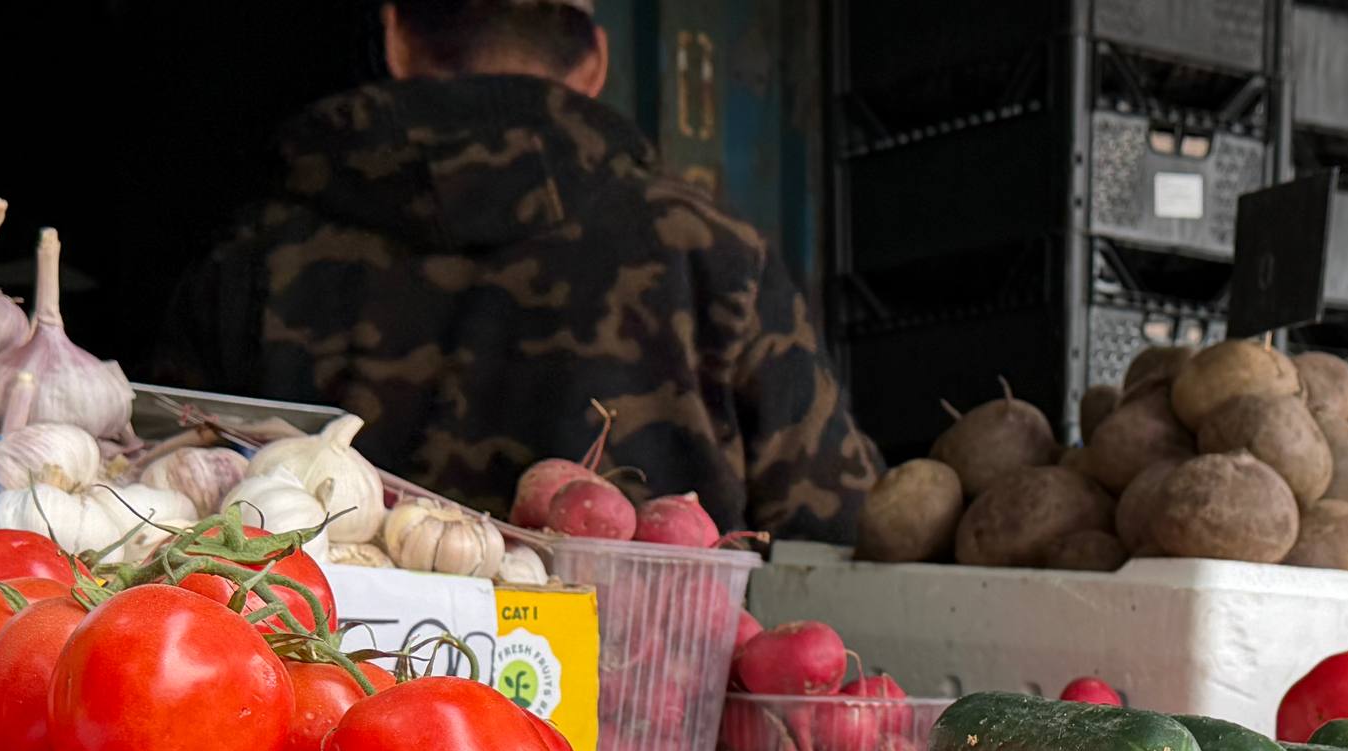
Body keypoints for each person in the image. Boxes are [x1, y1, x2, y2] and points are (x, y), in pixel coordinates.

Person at [151, 0, 877, 541]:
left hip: (339, 716)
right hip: (653, 715)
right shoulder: (713, 249)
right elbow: (836, 537)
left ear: (398, 39)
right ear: (593, 64)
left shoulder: (253, 258)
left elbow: (162, 498)